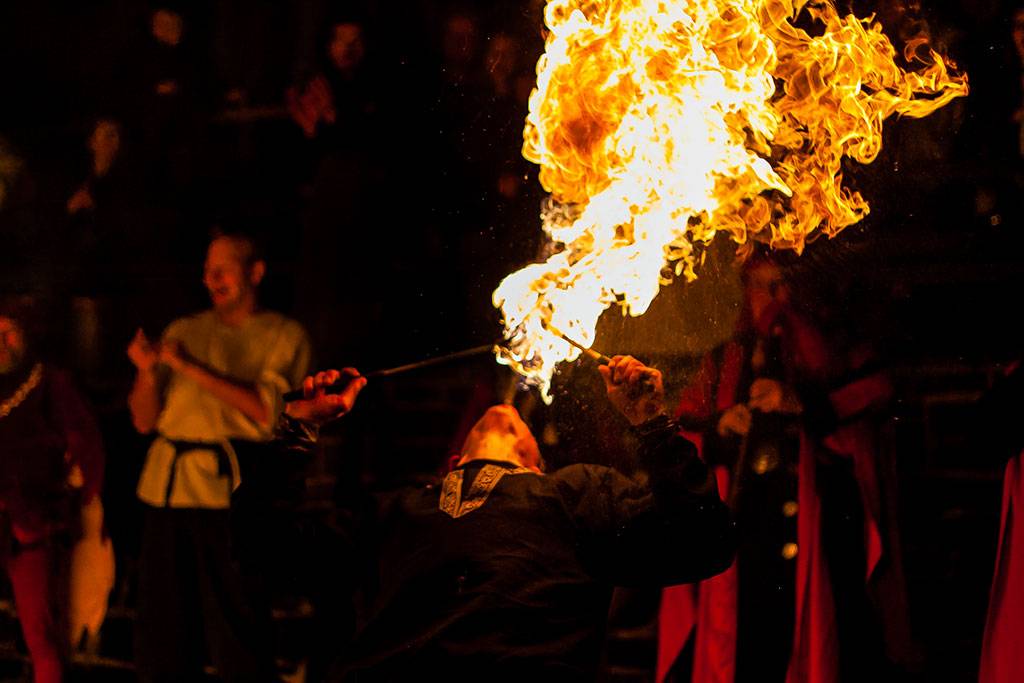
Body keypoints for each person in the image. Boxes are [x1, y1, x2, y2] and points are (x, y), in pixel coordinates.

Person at [284, 356, 735, 681]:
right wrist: (295, 428)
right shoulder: (397, 510)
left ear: (537, 463)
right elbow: (271, 550)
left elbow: (703, 540)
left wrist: (650, 423)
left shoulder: (575, 493)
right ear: (454, 460)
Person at [657, 252, 914, 683]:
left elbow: (874, 394)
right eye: (764, 286)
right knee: (749, 649)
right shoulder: (726, 360)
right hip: (746, 542)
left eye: (783, 285)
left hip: (821, 529)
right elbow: (686, 426)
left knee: (831, 639)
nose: (776, 298)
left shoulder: (831, 353)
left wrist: (802, 404)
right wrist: (723, 423)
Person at [126, 232, 311, 682]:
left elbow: (268, 413)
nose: (212, 278)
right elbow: (144, 422)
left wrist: (191, 367)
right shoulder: (184, 329)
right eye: (208, 269)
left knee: (237, 632)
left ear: (255, 272)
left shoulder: (282, 335)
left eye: (223, 268)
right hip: (167, 496)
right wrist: (148, 375)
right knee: (163, 634)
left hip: (229, 500)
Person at [0, 295, 107, 683]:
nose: (0, 343)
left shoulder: (49, 383)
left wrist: (76, 506)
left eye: (8, 333)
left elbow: (86, 449)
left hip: (32, 526)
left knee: (42, 637)